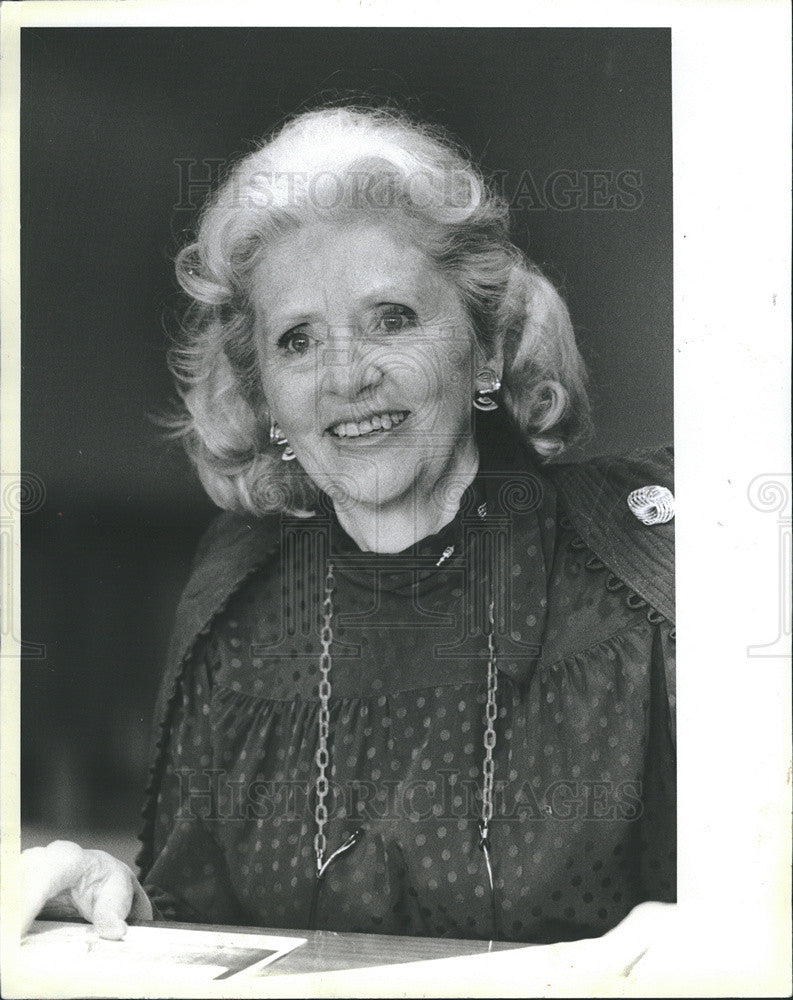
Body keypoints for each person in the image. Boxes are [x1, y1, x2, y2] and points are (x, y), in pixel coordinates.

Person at [22, 105, 675, 946]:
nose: (347, 376)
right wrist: (116, 900)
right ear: (264, 399)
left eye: (391, 319)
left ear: (484, 348)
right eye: (297, 340)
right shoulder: (239, 609)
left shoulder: (635, 575)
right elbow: (205, 929)